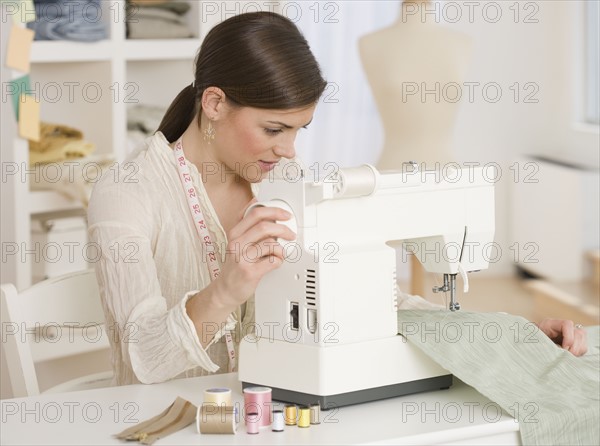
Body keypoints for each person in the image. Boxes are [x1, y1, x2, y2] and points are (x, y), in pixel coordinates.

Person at [88, 11, 587, 387]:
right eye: (274, 128)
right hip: (172, 427)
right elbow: (146, 360)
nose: (289, 150)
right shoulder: (126, 195)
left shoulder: (284, 179)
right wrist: (226, 289)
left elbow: (371, 299)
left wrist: (511, 335)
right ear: (215, 103)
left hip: (276, 416)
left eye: (300, 130)